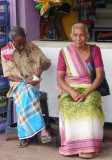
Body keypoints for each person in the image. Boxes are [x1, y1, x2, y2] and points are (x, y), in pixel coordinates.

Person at [56, 23, 105, 158]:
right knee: (67, 105)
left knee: (89, 106)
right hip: (70, 89)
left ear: (88, 36)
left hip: (90, 89)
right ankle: (73, 146)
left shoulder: (94, 50)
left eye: (82, 35)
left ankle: (91, 147)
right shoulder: (64, 52)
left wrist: (85, 93)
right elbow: (60, 78)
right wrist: (71, 92)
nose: (78, 38)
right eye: (75, 35)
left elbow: (100, 76)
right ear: (71, 36)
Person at [1, 26, 51, 147]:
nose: (22, 46)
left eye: (23, 42)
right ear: (12, 41)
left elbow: (47, 62)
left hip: (33, 87)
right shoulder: (6, 52)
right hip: (17, 86)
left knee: (27, 93)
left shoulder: (32, 47)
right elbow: (8, 76)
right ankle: (42, 129)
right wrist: (24, 81)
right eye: (19, 44)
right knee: (26, 89)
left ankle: (23, 136)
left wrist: (41, 68)